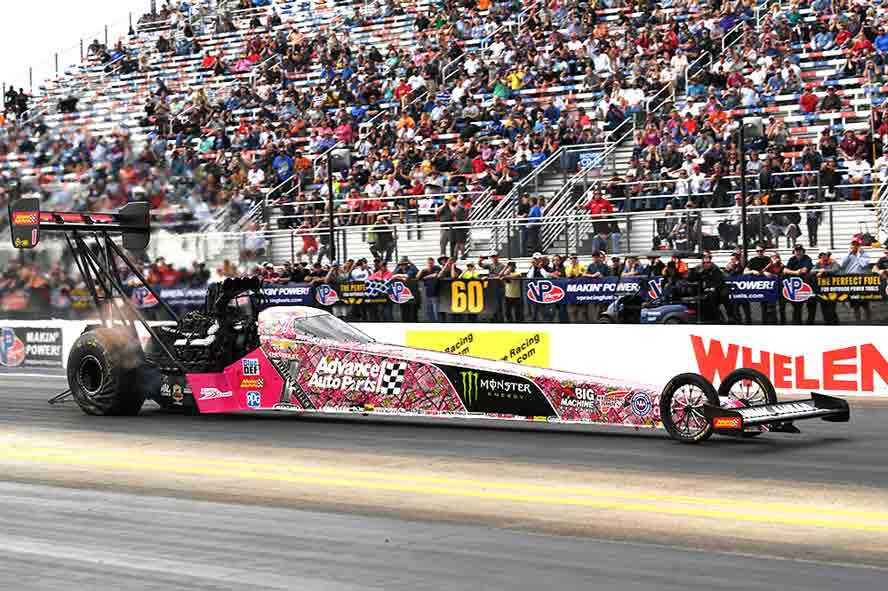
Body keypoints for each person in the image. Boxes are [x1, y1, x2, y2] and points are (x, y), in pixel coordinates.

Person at [784, 245, 816, 325]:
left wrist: (794, 271)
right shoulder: (792, 259)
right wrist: (795, 272)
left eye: (800, 250)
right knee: (796, 307)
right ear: (794, 252)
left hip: (808, 286)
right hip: (797, 288)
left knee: (811, 306)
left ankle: (810, 323)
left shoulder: (807, 258)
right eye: (796, 250)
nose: (798, 252)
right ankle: (797, 324)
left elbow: (805, 270)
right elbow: (785, 270)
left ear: (803, 251)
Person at [841, 240, 872, 322]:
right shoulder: (848, 255)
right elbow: (842, 265)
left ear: (858, 247)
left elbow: (863, 264)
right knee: (855, 305)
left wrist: (858, 255)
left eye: (855, 246)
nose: (853, 248)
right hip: (852, 281)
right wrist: (849, 253)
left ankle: (869, 321)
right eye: (852, 246)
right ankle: (858, 322)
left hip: (862, 282)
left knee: (865, 304)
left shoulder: (865, 255)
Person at [743, 244, 774, 323]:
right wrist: (752, 271)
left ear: (764, 251)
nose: (759, 252)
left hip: (768, 286)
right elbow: (745, 272)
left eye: (761, 251)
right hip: (756, 286)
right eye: (757, 251)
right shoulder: (752, 260)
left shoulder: (769, 260)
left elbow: (775, 273)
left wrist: (767, 273)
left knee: (768, 308)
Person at [814, 251, 840, 324]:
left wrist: (824, 271)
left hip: (832, 289)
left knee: (831, 309)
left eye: (824, 255)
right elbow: (812, 271)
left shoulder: (833, 262)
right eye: (822, 255)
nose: (823, 256)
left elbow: (836, 270)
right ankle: (829, 323)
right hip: (822, 290)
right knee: (824, 309)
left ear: (828, 255)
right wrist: (819, 270)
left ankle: (834, 324)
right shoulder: (818, 263)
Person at [417, 257, 442, 321]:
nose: (430, 264)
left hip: (435, 292)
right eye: (429, 263)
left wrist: (425, 277)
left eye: (431, 262)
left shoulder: (437, 267)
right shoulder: (425, 270)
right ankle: (432, 323)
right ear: (427, 263)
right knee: (429, 310)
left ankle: (438, 323)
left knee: (436, 310)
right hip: (428, 293)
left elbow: (436, 275)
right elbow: (417, 277)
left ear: (433, 262)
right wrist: (421, 270)